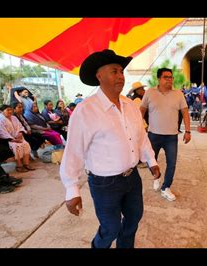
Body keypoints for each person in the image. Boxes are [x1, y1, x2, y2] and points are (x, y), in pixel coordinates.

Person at [60, 49, 160, 248]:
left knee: (133, 220)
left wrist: (152, 161)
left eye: (122, 72)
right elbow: (74, 151)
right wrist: (72, 189)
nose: (120, 76)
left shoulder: (130, 105)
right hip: (104, 183)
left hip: (132, 178)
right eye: (114, 71)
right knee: (110, 227)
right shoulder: (85, 110)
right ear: (99, 76)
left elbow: (141, 137)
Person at [140, 67, 191, 202]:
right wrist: (139, 129)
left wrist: (188, 131)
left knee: (172, 163)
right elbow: (142, 110)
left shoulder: (178, 94)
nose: (169, 80)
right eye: (166, 77)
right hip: (153, 135)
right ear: (159, 79)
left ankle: (166, 187)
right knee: (151, 161)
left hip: (171, 137)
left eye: (171, 77)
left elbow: (185, 112)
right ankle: (156, 177)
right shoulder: (150, 93)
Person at [0, 104, 35, 172]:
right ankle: (19, 165)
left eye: (11, 109)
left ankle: (26, 164)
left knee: (25, 144)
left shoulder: (14, 117)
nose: (10, 111)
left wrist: (20, 133)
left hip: (18, 137)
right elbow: (1, 132)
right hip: (6, 139)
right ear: (1, 111)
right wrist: (13, 139)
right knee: (16, 146)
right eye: (8, 110)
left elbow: (20, 126)